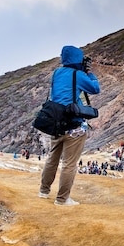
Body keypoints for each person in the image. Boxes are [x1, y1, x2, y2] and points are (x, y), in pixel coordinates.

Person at [39, 45, 100, 206]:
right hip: (74, 126)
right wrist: (89, 72)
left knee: (52, 159)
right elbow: (95, 88)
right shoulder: (78, 74)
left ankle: (44, 191)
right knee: (69, 164)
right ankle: (62, 199)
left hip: (56, 123)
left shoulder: (57, 73)